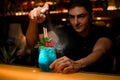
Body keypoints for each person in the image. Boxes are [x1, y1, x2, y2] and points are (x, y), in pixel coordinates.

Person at [26, 0, 115, 74]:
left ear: (92, 16)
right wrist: (33, 21)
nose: (76, 22)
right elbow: (33, 43)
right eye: (72, 17)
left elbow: (100, 51)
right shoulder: (65, 31)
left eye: (81, 16)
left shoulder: (104, 31)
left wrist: (78, 64)